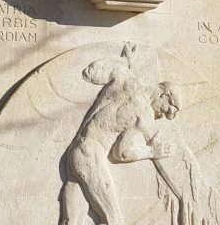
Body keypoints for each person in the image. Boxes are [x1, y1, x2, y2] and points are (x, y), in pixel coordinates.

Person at [59, 43, 182, 225]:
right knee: (114, 220)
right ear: (165, 95)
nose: (161, 116)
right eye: (165, 111)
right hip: (91, 156)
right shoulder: (144, 114)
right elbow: (121, 153)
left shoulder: (126, 76)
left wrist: (123, 62)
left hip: (77, 151)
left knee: (71, 221)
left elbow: (90, 72)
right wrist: (152, 152)